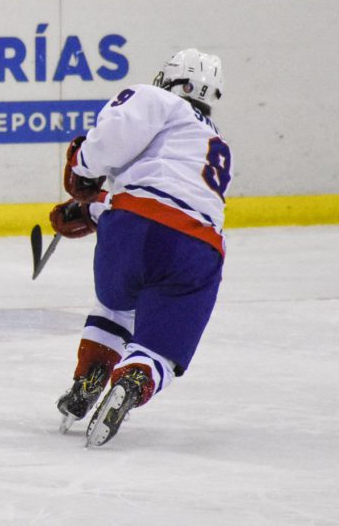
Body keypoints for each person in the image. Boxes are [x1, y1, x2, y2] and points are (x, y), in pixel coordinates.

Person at [50, 48, 231, 447]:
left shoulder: (156, 99)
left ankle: (91, 374)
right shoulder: (217, 146)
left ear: (169, 78)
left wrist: (82, 169)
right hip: (199, 249)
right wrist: (96, 207)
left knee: (116, 303)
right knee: (160, 348)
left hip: (130, 230)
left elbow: (122, 160)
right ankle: (135, 376)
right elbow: (180, 203)